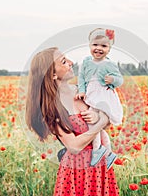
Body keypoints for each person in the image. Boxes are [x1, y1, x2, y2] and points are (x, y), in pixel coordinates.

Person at [25, 47, 119, 196]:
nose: (71, 62)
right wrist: (101, 122)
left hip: (99, 164)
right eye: (64, 61)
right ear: (53, 74)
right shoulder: (51, 107)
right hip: (76, 168)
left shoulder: (84, 91)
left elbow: (109, 117)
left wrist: (100, 117)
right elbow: (74, 146)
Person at [75, 28, 123, 169]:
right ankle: (108, 153)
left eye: (104, 46)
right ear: (90, 45)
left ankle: (97, 151)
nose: (99, 48)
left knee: (94, 125)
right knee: (99, 129)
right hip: (91, 94)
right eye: (95, 45)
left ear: (109, 48)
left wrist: (112, 79)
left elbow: (120, 80)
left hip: (103, 96)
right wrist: (82, 91)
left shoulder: (110, 64)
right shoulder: (86, 62)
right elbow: (81, 78)